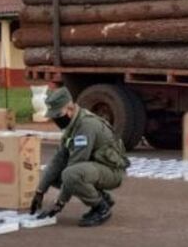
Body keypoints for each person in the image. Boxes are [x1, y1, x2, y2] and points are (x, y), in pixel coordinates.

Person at [30, 87, 129, 227]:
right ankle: (102, 198)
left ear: (70, 108)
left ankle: (101, 208)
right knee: (56, 174)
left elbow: (74, 167)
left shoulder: (85, 126)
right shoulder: (72, 125)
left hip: (112, 172)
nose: (56, 119)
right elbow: (58, 160)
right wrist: (40, 191)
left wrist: (59, 203)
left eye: (58, 115)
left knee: (71, 174)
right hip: (97, 168)